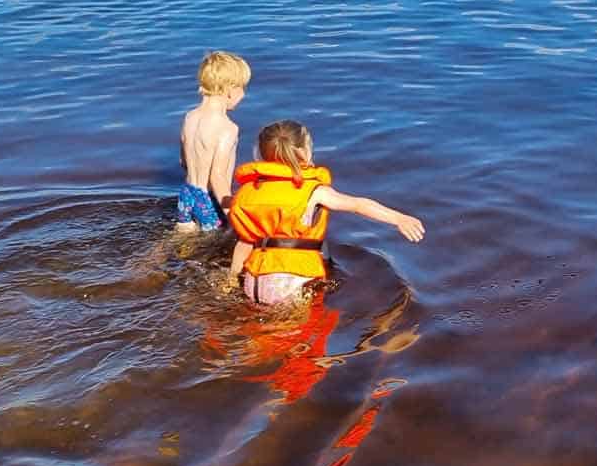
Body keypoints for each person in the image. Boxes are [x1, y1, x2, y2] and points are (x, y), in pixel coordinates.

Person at [228, 119, 425, 307]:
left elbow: (245, 242)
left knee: (261, 335)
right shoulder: (313, 190)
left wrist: (232, 279)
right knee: (297, 337)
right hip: (292, 279)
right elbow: (358, 205)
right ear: (305, 151)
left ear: (261, 155)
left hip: (254, 280)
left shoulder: (248, 192)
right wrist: (398, 218)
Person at [176, 50, 249, 232]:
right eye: (242, 88)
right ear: (230, 90)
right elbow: (217, 177)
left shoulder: (190, 117)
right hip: (208, 200)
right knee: (212, 250)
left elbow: (183, 162)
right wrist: (233, 214)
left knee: (182, 239)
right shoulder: (227, 128)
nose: (244, 95)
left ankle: (147, 261)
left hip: (187, 193)